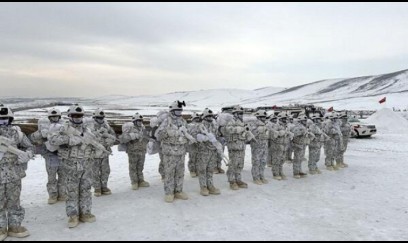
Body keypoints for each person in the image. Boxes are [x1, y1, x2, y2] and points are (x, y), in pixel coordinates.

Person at [49, 104, 97, 228]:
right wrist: (71, 140)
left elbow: (94, 142)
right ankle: (73, 216)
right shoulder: (63, 128)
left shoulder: (87, 129)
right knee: (72, 191)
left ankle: (85, 213)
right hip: (70, 166)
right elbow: (53, 140)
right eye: (75, 115)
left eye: (80, 115)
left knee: (85, 189)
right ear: (70, 116)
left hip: (86, 164)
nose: (77, 117)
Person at [0, 104, 33, 239]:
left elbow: (30, 146)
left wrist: (27, 155)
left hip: (14, 173)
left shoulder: (17, 134)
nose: (2, 122)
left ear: (10, 119)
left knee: (14, 201)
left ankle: (15, 226)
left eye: (5, 119)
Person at [155, 101, 196, 202]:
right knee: (169, 173)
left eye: (180, 111)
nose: (179, 113)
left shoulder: (183, 121)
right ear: (172, 111)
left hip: (180, 152)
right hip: (169, 152)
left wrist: (185, 139)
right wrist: (169, 132)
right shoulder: (166, 121)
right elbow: (158, 135)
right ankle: (169, 193)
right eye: (177, 111)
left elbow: (188, 134)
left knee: (180, 172)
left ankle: (178, 191)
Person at [39, 108, 67, 204]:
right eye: (52, 117)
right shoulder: (44, 127)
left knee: (63, 176)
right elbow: (41, 138)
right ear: (49, 117)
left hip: (62, 155)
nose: (54, 118)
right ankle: (52, 195)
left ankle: (62, 194)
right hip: (51, 155)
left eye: (56, 116)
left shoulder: (64, 126)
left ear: (59, 117)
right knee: (51, 177)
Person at [224, 105, 254, 190]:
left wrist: (247, 133)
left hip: (241, 147)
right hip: (234, 147)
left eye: (241, 113)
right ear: (235, 114)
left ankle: (238, 179)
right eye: (239, 113)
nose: (241, 115)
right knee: (233, 165)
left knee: (240, 165)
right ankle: (232, 181)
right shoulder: (231, 121)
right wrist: (240, 129)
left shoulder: (243, 123)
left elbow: (246, 135)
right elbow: (228, 130)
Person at [119, 112, 150, 190]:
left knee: (140, 167)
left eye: (140, 120)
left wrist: (146, 142)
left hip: (142, 151)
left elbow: (146, 138)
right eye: (138, 120)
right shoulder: (130, 128)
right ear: (134, 121)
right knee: (133, 167)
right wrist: (131, 136)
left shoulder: (143, 128)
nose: (140, 122)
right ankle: (134, 182)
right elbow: (122, 139)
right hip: (132, 151)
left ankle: (141, 180)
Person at [195, 108, 221, 196]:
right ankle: (203, 187)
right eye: (208, 116)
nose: (210, 118)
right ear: (205, 117)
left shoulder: (214, 125)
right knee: (202, 170)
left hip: (212, 151)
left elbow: (217, 136)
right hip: (203, 151)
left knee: (210, 169)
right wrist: (203, 137)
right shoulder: (200, 125)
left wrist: (217, 144)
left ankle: (210, 186)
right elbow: (195, 136)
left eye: (211, 116)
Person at [90, 108, 116, 196]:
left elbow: (113, 135)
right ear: (94, 118)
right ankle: (97, 188)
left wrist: (110, 140)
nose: (100, 119)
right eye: (98, 118)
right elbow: (88, 139)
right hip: (94, 154)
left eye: (102, 117)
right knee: (95, 171)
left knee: (105, 170)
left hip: (104, 153)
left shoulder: (107, 126)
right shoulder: (90, 127)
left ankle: (104, 186)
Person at [249, 110, 269, 185]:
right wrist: (258, 130)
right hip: (257, 146)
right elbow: (251, 134)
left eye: (264, 117)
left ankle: (261, 176)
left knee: (263, 162)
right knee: (256, 162)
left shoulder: (265, 124)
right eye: (262, 117)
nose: (264, 118)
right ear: (258, 117)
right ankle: (256, 177)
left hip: (264, 146)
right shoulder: (254, 124)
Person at [290, 114, 312, 179]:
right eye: (304, 120)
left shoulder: (303, 127)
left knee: (300, 159)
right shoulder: (297, 127)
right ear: (300, 121)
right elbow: (295, 135)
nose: (305, 121)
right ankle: (296, 172)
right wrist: (302, 133)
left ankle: (299, 170)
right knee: (297, 159)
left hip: (302, 144)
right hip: (298, 145)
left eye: (305, 120)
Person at [186, 112, 201, 178]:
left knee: (199, 157)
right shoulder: (189, 125)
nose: (197, 120)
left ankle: (197, 169)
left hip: (199, 143)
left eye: (198, 118)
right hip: (192, 144)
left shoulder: (201, 125)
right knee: (192, 157)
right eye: (195, 118)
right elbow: (187, 134)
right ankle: (192, 170)